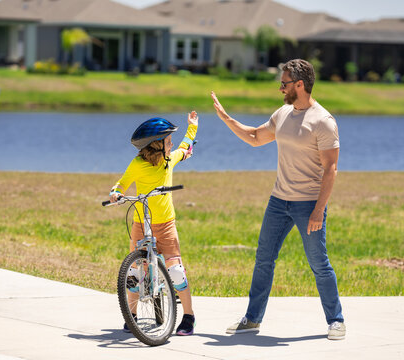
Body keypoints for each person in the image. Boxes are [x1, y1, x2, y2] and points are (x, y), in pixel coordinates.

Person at [211, 59, 345, 340]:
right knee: (263, 259)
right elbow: (255, 137)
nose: (280, 88)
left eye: (284, 83)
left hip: (308, 203)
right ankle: (252, 319)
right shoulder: (283, 114)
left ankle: (336, 320)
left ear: (300, 84)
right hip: (278, 200)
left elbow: (331, 168)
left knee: (318, 263)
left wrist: (319, 210)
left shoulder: (323, 121)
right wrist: (227, 119)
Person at [109, 112, 198, 336]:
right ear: (156, 145)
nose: (172, 144)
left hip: (165, 225)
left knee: (176, 272)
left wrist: (192, 127)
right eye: (168, 141)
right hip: (141, 223)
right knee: (134, 274)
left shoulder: (170, 159)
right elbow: (122, 183)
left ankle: (188, 316)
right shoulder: (138, 164)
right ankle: (132, 316)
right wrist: (116, 193)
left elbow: (186, 146)